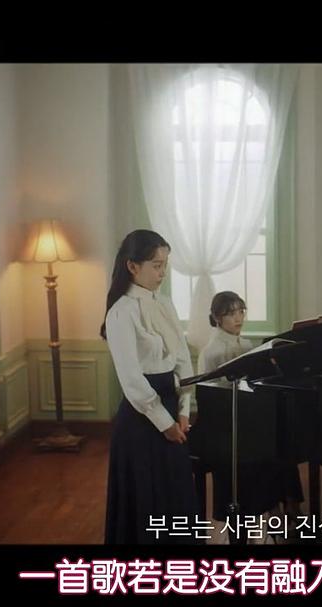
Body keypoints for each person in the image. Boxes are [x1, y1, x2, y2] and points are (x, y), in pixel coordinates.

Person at [101, 229, 201, 544]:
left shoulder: (165, 304)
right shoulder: (121, 312)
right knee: (146, 504)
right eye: (156, 265)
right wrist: (165, 423)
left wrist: (183, 410)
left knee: (177, 497)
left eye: (165, 265)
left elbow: (183, 361)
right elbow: (131, 379)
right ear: (132, 266)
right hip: (142, 418)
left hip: (172, 408)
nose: (162, 272)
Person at [198, 291, 305, 541]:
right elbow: (211, 398)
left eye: (241, 311)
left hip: (248, 417)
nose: (238, 318)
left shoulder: (246, 345)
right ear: (217, 317)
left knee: (283, 443)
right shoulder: (211, 351)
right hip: (225, 424)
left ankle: (287, 506)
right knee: (263, 448)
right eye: (231, 313)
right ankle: (271, 508)